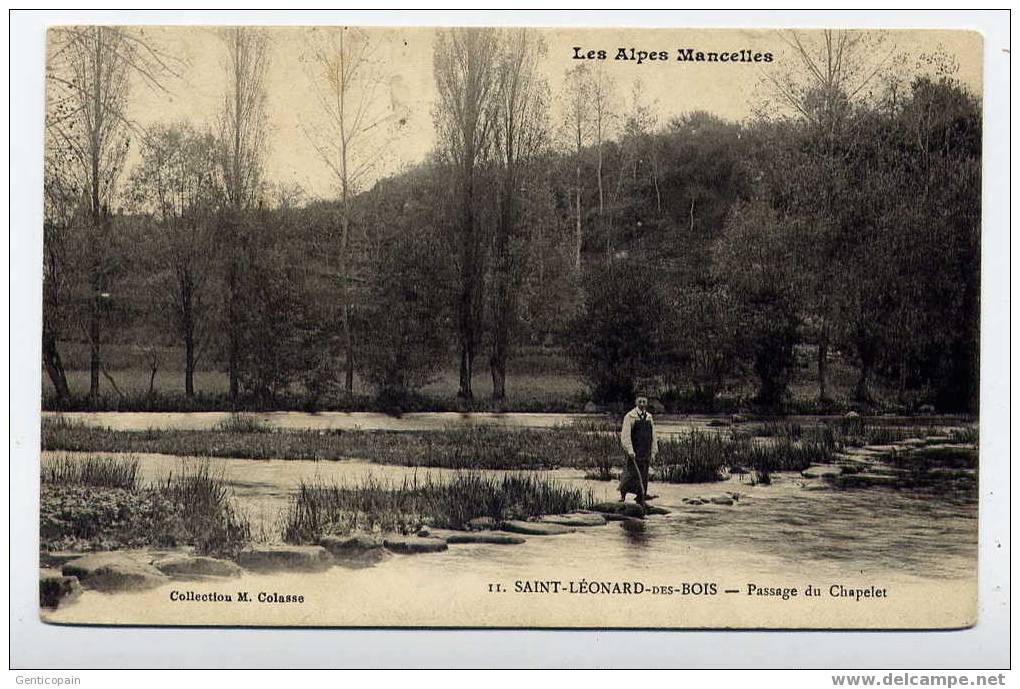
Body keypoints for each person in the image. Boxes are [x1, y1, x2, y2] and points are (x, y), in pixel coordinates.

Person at [619, 395, 658, 508]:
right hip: (634, 452)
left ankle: (641, 497)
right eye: (640, 401)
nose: (642, 403)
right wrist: (630, 450)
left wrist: (654, 452)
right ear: (636, 402)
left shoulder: (649, 417)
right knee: (629, 474)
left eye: (644, 401)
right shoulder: (630, 416)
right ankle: (623, 496)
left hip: (645, 451)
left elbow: (654, 436)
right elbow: (625, 436)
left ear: (646, 403)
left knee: (644, 475)